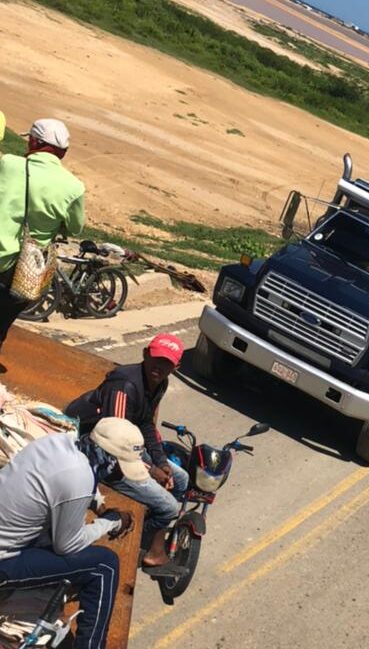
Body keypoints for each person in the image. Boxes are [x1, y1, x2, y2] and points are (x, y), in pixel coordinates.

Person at [0, 418, 140, 649]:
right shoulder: (78, 478)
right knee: (104, 566)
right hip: (4, 563)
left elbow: (71, 481)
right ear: (110, 461)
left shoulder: (58, 444)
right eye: (121, 469)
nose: (121, 477)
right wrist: (110, 522)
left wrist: (98, 504)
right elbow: (67, 546)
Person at [65, 333, 186, 569]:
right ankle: (138, 542)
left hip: (126, 443)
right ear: (145, 354)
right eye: (157, 358)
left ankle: (153, 529)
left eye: (167, 363)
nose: (159, 366)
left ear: (176, 367)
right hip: (98, 449)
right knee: (169, 507)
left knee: (180, 479)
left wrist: (160, 463)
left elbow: (146, 424)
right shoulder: (125, 386)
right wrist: (151, 471)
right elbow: (113, 442)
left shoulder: (160, 383)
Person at [0, 119, 85, 350]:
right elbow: (75, 228)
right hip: (25, 270)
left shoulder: (9, 164)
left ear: (34, 141)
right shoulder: (74, 187)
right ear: (63, 153)